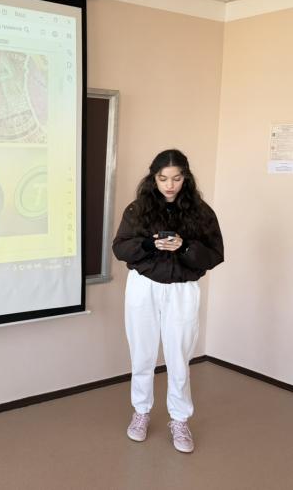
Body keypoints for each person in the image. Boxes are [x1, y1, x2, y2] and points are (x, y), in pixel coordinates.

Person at [112, 149, 223, 453]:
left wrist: (184, 247)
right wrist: (150, 244)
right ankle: (141, 412)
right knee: (142, 354)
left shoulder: (201, 212)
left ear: (186, 178)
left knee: (178, 358)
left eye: (176, 178)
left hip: (182, 289)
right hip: (143, 286)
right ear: (154, 178)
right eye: (163, 179)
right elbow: (120, 248)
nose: (169, 185)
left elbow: (214, 255)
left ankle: (180, 419)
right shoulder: (138, 209)